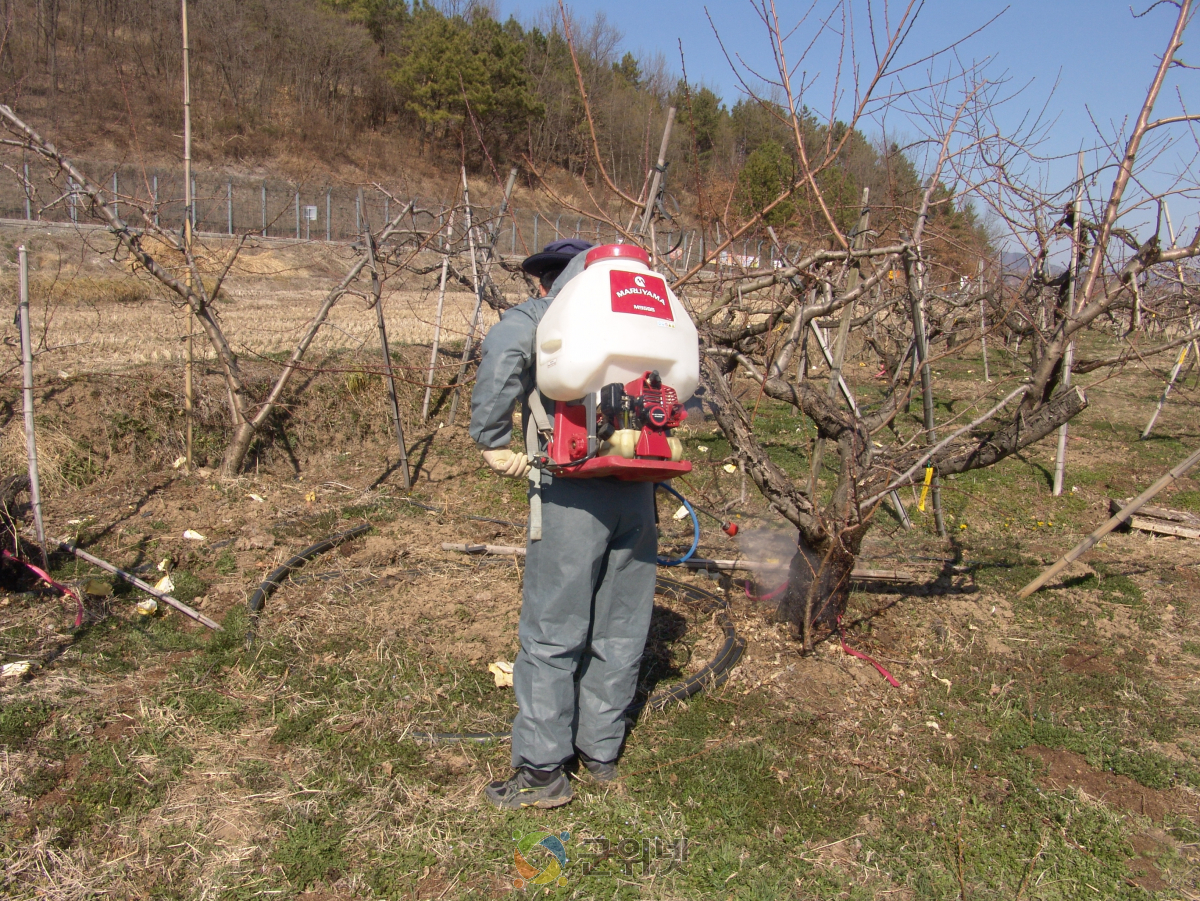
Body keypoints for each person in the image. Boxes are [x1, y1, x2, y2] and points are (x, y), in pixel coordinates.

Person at [469, 238, 658, 809]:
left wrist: (491, 441)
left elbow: (502, 362)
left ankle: (542, 770)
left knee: (552, 632)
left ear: (547, 280)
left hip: (571, 491)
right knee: (621, 623)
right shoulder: (641, 319)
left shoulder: (542, 314)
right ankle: (600, 750)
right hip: (639, 487)